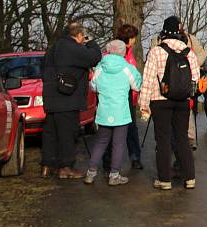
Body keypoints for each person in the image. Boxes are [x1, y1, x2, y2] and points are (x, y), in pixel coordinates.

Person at [139, 16, 200, 190]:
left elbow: (148, 80)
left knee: (163, 140)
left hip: (161, 101)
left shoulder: (156, 51)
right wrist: (190, 96)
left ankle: (164, 180)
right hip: (182, 101)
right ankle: (190, 178)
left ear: (164, 31)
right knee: (182, 139)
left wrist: (144, 105)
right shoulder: (188, 52)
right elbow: (194, 79)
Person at [41, 21, 102, 179]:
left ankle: (47, 165)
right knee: (67, 134)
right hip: (67, 98)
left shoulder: (52, 49)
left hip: (50, 98)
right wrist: (92, 43)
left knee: (51, 133)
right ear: (79, 35)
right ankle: (66, 167)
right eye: (83, 36)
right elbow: (94, 58)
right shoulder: (74, 48)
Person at [85, 40, 142, 186]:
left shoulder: (100, 67)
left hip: (104, 111)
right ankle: (114, 175)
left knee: (101, 142)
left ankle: (91, 173)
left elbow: (93, 87)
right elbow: (137, 85)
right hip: (121, 112)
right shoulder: (127, 68)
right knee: (118, 144)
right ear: (123, 52)